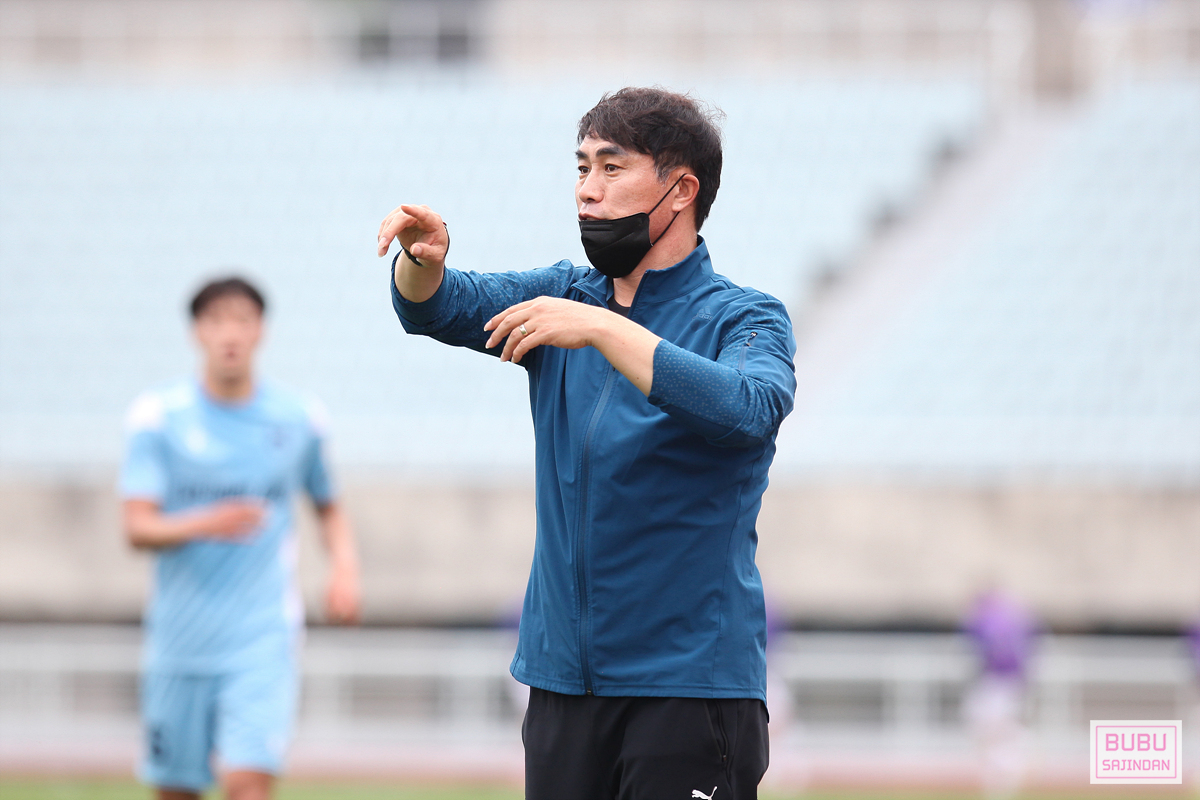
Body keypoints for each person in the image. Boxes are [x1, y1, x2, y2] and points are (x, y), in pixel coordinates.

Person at [377, 87, 797, 799]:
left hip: (688, 687)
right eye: (581, 169)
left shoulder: (746, 317)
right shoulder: (566, 295)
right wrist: (422, 260)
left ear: (681, 189)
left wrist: (604, 329)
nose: (587, 191)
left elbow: (748, 409)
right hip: (561, 685)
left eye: (611, 167)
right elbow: (436, 307)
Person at [119, 277, 361, 800]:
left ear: (260, 332)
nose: (230, 334)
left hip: (261, 637)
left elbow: (328, 505)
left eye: (242, 321)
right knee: (176, 790)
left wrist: (344, 568)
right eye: (216, 321)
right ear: (197, 332)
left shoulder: (298, 419)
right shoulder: (157, 418)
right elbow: (136, 527)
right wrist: (204, 522)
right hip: (180, 641)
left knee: (248, 785)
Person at [963, 586, 1038, 800]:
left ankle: (1014, 760)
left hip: (998, 683)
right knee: (993, 730)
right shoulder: (1016, 620)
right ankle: (1005, 770)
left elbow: (987, 649)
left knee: (993, 730)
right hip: (1007, 683)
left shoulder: (990, 621)